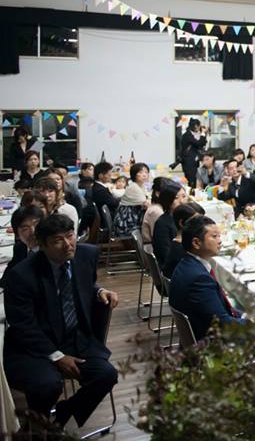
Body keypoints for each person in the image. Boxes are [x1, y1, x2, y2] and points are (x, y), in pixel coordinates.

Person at [3, 214, 119, 429]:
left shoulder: (86, 254)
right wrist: (57, 356)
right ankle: (37, 427)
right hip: (36, 345)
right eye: (58, 240)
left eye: (70, 235)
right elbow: (23, 325)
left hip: (74, 339)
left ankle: (64, 412)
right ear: (42, 245)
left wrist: (98, 291)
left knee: (106, 374)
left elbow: (83, 284)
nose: (68, 244)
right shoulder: (22, 275)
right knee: (47, 385)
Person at [168, 216, 245, 340]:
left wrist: (246, 316)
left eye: (219, 236)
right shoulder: (199, 278)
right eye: (214, 237)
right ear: (196, 243)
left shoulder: (186, 263)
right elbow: (223, 325)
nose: (220, 241)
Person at [1, 204, 44, 290]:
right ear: (17, 236)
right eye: (25, 229)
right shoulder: (20, 248)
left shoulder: (51, 250)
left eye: (36, 225)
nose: (33, 231)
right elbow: (7, 277)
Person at [162, 202, 205, 278]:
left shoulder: (178, 243)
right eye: (195, 222)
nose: (201, 226)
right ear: (181, 223)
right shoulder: (183, 250)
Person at [151, 181, 187, 266]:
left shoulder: (181, 218)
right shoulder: (163, 223)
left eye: (184, 196)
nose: (182, 201)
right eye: (176, 198)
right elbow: (165, 254)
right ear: (167, 200)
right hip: (173, 266)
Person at [114, 162, 150, 237]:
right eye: (141, 172)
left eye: (146, 172)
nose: (144, 175)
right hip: (126, 222)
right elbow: (147, 205)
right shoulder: (134, 187)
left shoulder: (141, 185)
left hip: (132, 218)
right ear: (134, 174)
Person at [141, 176, 170, 244]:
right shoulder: (156, 211)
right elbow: (160, 237)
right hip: (152, 247)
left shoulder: (158, 208)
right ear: (158, 193)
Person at [179, 118, 207, 189]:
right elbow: (198, 143)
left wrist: (203, 134)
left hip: (193, 162)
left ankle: (192, 192)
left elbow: (201, 144)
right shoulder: (187, 135)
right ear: (196, 126)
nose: (200, 128)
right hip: (189, 163)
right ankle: (191, 193)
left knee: (194, 180)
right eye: (199, 126)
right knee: (191, 181)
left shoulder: (192, 134)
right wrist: (203, 133)